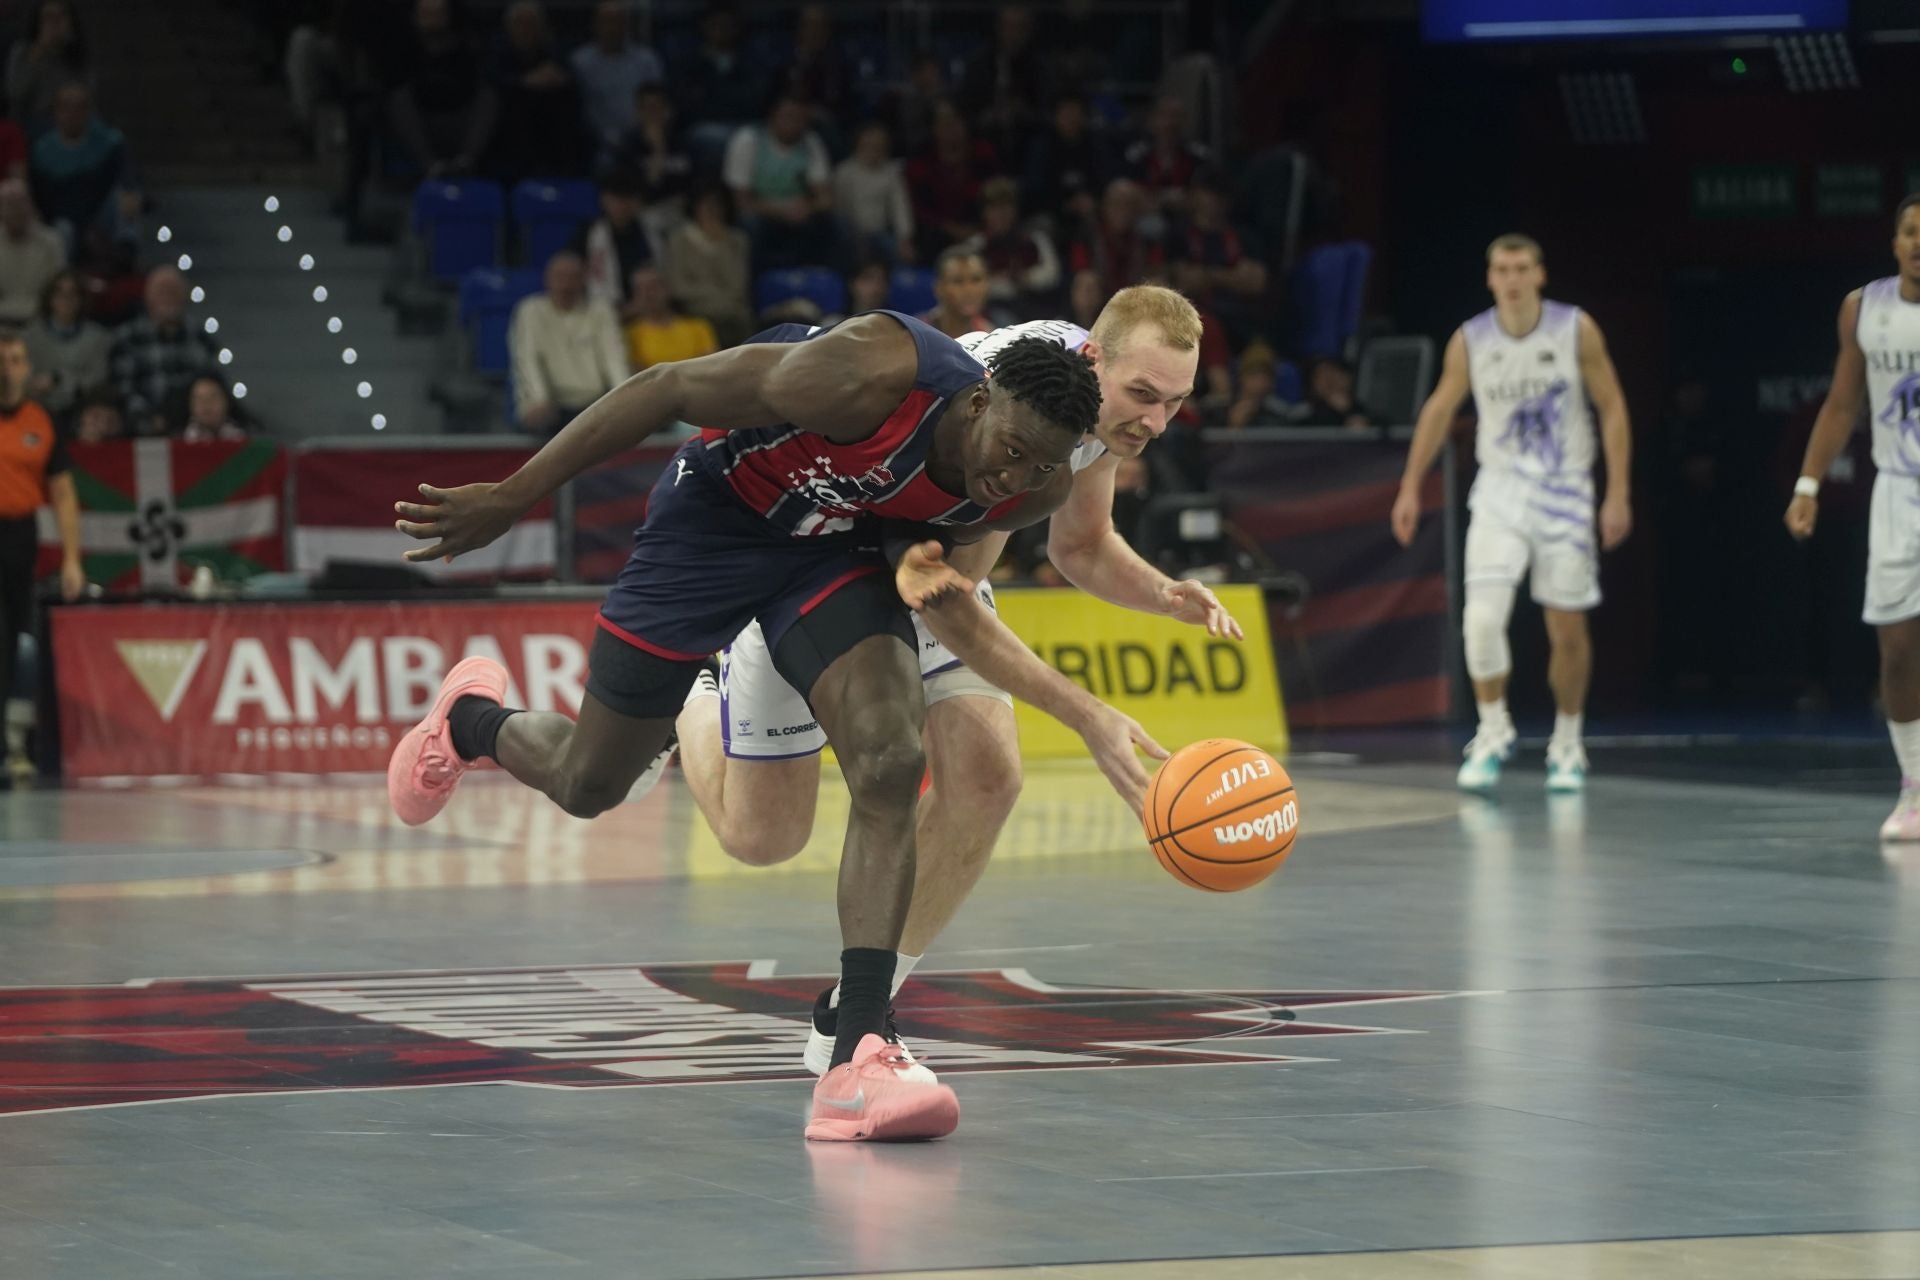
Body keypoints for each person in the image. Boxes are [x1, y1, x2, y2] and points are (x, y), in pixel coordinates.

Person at [387, 314, 1105, 1140]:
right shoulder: (866, 370)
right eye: (1010, 449)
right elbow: (667, 387)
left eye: (1042, 465)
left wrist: (915, 559)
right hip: (712, 525)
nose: (1014, 475)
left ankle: (859, 1050)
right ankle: (472, 721)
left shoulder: (1034, 487)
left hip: (832, 553)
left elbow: (921, 533)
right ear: (980, 401)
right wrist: (514, 495)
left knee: (889, 758)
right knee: (590, 784)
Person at [671, 288, 1239, 1076]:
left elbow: (1082, 546)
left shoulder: (1097, 406)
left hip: (926, 567)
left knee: (987, 776)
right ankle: (698, 694)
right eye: (1144, 397)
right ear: (1094, 356)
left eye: (1175, 404)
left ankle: (858, 1013)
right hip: (811, 550)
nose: (1154, 422)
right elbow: (953, 610)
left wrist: (1162, 592)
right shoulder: (1005, 406)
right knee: (764, 838)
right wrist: (1085, 714)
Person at [1390, 233, 1632, 793]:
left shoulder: (1576, 329)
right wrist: (1408, 486)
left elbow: (1613, 405)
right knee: (1480, 619)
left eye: (1522, 267)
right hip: (1499, 491)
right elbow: (1438, 409)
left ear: (1540, 274)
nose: (1513, 278)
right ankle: (1493, 728)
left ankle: (1568, 741)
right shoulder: (1471, 340)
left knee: (1567, 628)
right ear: (1490, 277)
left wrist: (1616, 491)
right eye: (1502, 269)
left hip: (1566, 492)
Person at [1786, 193, 1920, 840]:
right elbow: (1843, 405)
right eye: (1911, 232)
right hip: (1896, 491)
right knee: (1896, 649)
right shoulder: (1863, 309)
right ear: (1894, 242)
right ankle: (1914, 787)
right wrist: (1808, 482)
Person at [0, 333, 83, 744]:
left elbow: (64, 494)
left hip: (19, 536)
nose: (7, 368)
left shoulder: (41, 421)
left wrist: (72, 559)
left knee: (14, 635)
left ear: (27, 367)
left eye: (15, 360)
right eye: (2, 360)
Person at [507, 250, 629, 433]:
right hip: (549, 404)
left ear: (583, 280)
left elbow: (614, 358)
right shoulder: (530, 310)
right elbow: (527, 359)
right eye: (559, 277)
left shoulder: (601, 311)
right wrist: (539, 398)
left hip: (595, 402)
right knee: (539, 420)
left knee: (630, 420)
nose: (566, 284)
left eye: (572, 277)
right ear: (547, 279)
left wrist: (624, 398)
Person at [109, 265, 216, 436]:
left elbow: (210, 383)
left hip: (192, 427)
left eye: (173, 292)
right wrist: (149, 418)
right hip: (139, 428)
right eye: (162, 292)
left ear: (184, 297)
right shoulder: (128, 338)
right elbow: (123, 390)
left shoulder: (199, 337)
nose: (168, 298)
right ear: (148, 297)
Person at [570, 0, 662, 164]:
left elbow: (657, 102)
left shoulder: (646, 60)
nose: (612, 28)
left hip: (638, 137)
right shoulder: (580, 62)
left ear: (627, 25)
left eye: (618, 21)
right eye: (606, 21)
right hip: (595, 141)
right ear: (595, 25)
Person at [663, 184, 751, 346]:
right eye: (706, 205)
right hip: (696, 308)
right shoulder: (679, 241)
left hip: (732, 309)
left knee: (739, 319)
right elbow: (678, 286)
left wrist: (722, 244)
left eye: (717, 205)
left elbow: (737, 285)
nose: (712, 211)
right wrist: (715, 296)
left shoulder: (736, 241)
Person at [621, 266, 717, 371]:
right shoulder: (630, 336)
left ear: (667, 289)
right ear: (634, 296)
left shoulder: (698, 327)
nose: (648, 294)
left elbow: (712, 366)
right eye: (641, 289)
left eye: (653, 286)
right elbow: (638, 375)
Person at [0, 179, 65, 326]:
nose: (16, 210)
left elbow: (59, 291)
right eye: (10, 204)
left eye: (21, 203)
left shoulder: (52, 243)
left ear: (30, 206)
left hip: (41, 325)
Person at [921, 244, 991, 340]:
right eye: (957, 281)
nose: (968, 291)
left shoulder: (990, 336)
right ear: (939, 288)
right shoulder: (915, 337)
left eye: (976, 280)